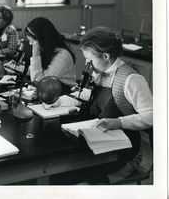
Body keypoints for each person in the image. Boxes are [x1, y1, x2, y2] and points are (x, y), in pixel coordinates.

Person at [50, 26, 153, 184]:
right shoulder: (100, 73)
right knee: (61, 172)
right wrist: (58, 101)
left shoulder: (131, 79)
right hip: (102, 142)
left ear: (105, 56)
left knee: (83, 181)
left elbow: (153, 116)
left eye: (90, 60)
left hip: (125, 152)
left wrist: (119, 122)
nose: (87, 64)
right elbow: (87, 94)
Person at [25, 17, 76, 94]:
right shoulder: (48, 49)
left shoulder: (62, 56)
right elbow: (35, 71)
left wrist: (35, 55)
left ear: (42, 41)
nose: (30, 44)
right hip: (51, 94)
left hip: (63, 97)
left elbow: (40, 83)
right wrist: (14, 67)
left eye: (32, 41)